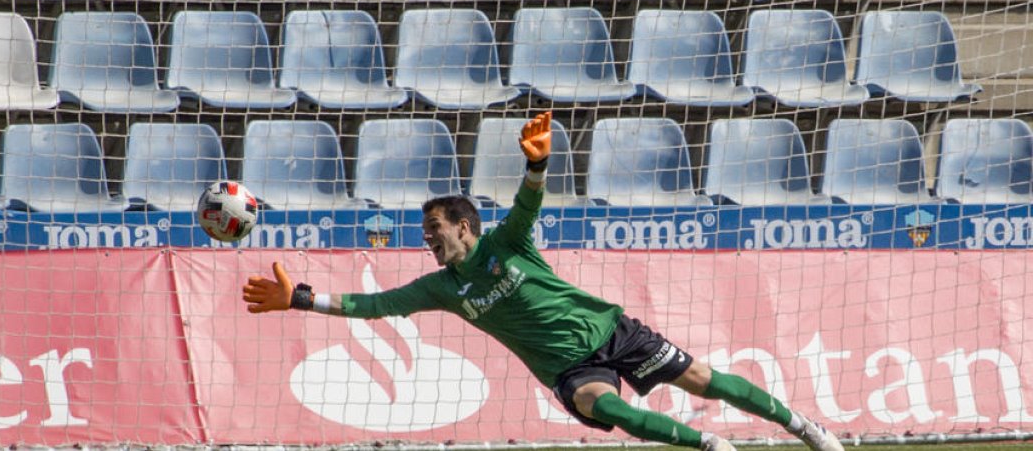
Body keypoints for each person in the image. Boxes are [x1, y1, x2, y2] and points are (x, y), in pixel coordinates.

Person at [243, 112, 845, 451]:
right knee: (598, 404)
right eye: (425, 231)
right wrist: (300, 299)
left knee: (703, 378)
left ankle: (801, 426)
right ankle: (711, 447)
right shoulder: (440, 288)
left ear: (465, 226)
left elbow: (529, 204)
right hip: (567, 369)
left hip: (613, 331)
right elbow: (371, 305)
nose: (428, 238)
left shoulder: (508, 243)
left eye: (435, 228)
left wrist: (536, 164)